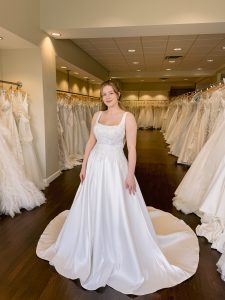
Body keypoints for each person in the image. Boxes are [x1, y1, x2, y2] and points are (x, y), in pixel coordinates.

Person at [36, 80, 199, 295]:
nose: (107, 97)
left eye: (110, 93)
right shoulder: (97, 116)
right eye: (104, 94)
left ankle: (119, 245)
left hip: (116, 166)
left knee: (116, 205)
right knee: (93, 203)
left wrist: (130, 174)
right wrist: (84, 165)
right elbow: (90, 143)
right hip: (95, 165)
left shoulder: (127, 117)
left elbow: (131, 149)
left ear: (118, 94)